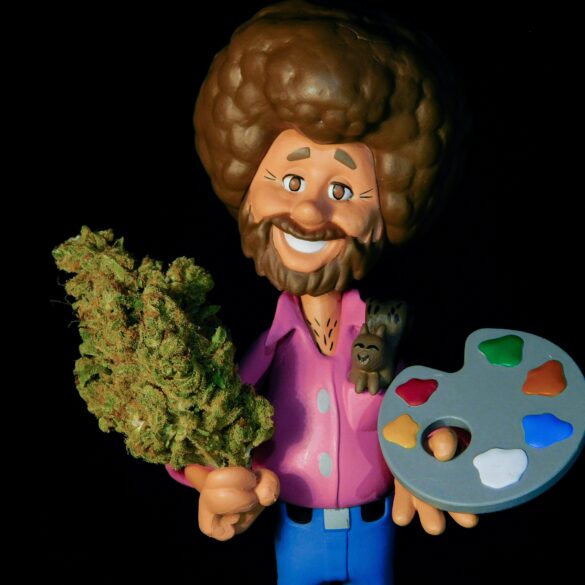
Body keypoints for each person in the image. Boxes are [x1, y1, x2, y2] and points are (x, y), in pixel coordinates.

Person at [166, 2, 477, 583]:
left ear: (385, 211)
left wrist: (436, 449)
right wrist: (208, 479)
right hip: (296, 532)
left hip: (376, 528)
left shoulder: (384, 329)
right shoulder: (265, 348)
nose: (309, 211)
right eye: (290, 180)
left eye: (343, 189)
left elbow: (423, 406)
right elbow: (208, 420)